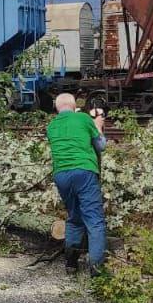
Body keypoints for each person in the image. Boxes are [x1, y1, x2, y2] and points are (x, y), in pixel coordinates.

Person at [47, 93, 107, 275]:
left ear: (57, 108)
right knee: (94, 219)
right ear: (75, 107)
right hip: (83, 171)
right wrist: (98, 126)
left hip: (61, 175)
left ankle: (71, 264)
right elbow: (101, 145)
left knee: (74, 217)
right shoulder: (82, 118)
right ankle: (96, 269)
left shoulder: (51, 126)